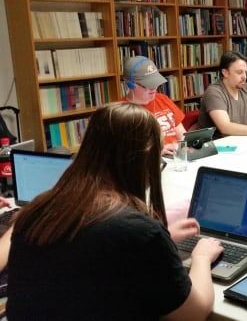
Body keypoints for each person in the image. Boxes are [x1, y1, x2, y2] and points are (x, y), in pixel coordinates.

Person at [7, 103, 223, 320]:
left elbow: (89, 256)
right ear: (146, 156)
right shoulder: (138, 231)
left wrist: (163, 240)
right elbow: (193, 313)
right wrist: (201, 256)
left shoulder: (38, 209)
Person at [123, 55, 185, 156]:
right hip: (149, 163)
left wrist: (187, 147)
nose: (153, 88)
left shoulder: (163, 99)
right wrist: (157, 152)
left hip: (176, 157)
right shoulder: (120, 112)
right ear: (130, 85)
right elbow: (124, 153)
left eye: (155, 83)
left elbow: (182, 134)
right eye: (147, 85)